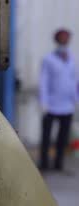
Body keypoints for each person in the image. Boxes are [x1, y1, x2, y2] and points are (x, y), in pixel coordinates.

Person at [39, 29, 78, 171]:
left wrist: (76, 98)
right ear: (57, 41)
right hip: (51, 105)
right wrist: (43, 102)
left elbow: (74, 81)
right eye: (62, 39)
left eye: (66, 40)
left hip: (67, 105)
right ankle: (44, 163)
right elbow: (44, 81)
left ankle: (58, 164)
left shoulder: (72, 59)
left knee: (63, 137)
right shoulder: (48, 59)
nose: (64, 42)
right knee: (47, 136)